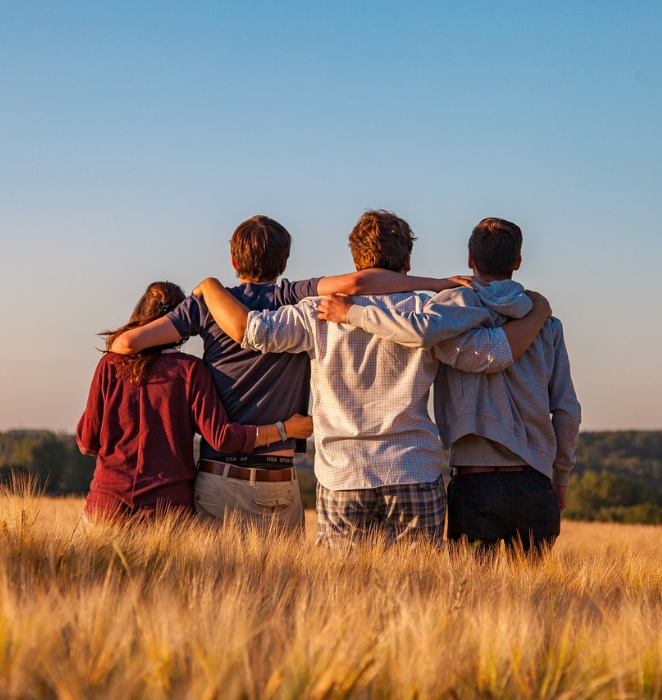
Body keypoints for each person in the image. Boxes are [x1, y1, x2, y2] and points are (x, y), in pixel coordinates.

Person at [192, 211, 551, 547]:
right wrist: (538, 313)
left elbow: (253, 332)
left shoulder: (316, 311)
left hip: (342, 475)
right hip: (413, 469)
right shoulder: (428, 312)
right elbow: (487, 355)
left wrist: (210, 287)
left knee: (343, 596)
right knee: (419, 592)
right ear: (407, 263)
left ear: (355, 261)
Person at [107, 216, 472, 531]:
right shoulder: (293, 296)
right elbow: (360, 284)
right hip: (278, 480)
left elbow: (125, 345)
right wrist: (436, 284)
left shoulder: (206, 305)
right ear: (284, 262)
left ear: (234, 260)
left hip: (219, 475)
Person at [319, 217, 581, 552]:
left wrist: (353, 313)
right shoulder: (547, 324)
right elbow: (567, 410)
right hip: (536, 482)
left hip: (474, 483)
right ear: (517, 262)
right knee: (535, 601)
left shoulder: (448, 314)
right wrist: (560, 476)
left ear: (470, 260)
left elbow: (417, 331)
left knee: (469, 598)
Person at [77, 281, 312, 522]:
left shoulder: (110, 365)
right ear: (182, 322)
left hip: (106, 507)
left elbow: (87, 443)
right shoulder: (191, 371)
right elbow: (223, 438)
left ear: (141, 313)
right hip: (168, 512)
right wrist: (286, 429)